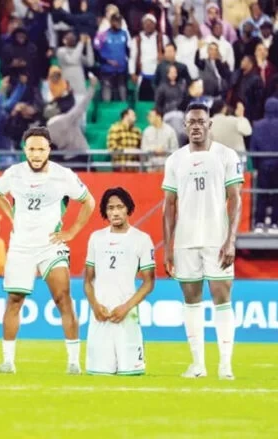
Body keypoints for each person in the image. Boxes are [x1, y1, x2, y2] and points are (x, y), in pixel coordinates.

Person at [0, 126, 95, 374]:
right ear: (24, 149)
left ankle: (74, 363)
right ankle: (8, 362)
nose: (36, 154)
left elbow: (88, 201)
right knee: (14, 301)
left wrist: (72, 232)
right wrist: (11, 214)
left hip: (50, 246)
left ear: (49, 150)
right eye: (32, 149)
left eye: (41, 149)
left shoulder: (63, 175)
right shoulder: (14, 173)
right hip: (21, 247)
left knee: (63, 299)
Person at [162, 103, 244, 380]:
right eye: (191, 122)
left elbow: (236, 199)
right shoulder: (175, 160)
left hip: (216, 240)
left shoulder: (226, 155)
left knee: (222, 298)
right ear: (185, 126)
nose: (196, 126)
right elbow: (168, 205)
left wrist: (231, 240)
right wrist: (168, 247)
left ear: (209, 124)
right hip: (185, 241)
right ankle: (198, 364)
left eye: (201, 121)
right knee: (191, 300)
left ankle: (225, 365)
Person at [84, 187, 155, 376]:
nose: (115, 212)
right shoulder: (96, 238)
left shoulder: (141, 239)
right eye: (110, 208)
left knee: (130, 375)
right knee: (99, 377)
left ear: (128, 209)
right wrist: (95, 306)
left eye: (120, 207)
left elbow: (149, 282)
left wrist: (126, 307)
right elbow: (88, 281)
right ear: (105, 211)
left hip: (127, 316)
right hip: (100, 316)